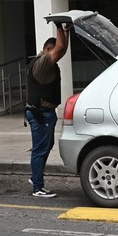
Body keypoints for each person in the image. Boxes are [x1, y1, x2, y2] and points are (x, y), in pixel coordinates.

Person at [25, 24, 70, 198]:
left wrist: (65, 33)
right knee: (39, 150)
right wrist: (58, 25)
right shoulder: (43, 62)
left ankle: (35, 176)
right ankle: (38, 187)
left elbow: (62, 49)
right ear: (48, 49)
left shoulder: (44, 60)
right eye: (55, 51)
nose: (58, 55)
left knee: (46, 146)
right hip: (40, 113)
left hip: (43, 113)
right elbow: (60, 48)